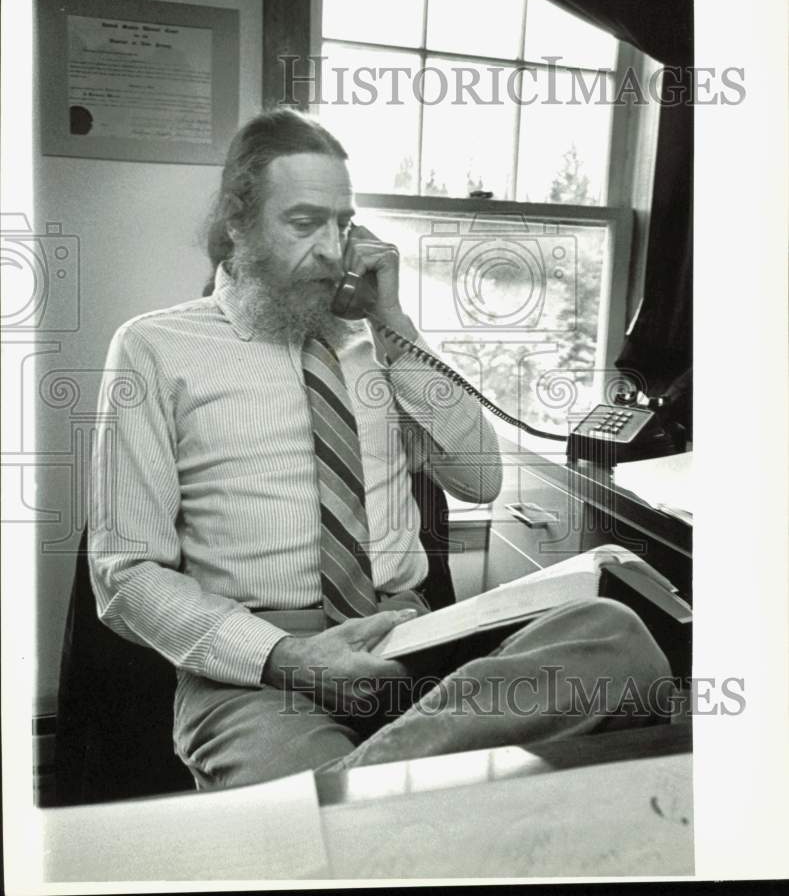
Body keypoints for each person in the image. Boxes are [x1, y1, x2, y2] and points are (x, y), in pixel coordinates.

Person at [89, 108, 671, 792]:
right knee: (341, 808)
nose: (333, 250)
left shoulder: (379, 346)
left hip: (410, 643)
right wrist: (288, 657)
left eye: (342, 224)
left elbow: (481, 480)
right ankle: (386, 803)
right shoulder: (154, 348)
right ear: (236, 226)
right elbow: (125, 574)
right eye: (304, 223)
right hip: (257, 671)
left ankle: (346, 803)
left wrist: (395, 325)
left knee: (613, 634)